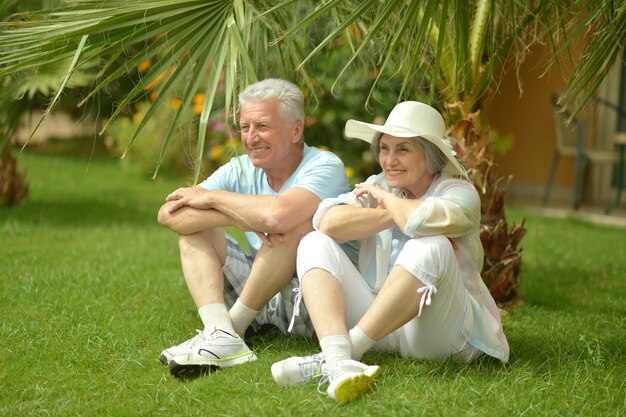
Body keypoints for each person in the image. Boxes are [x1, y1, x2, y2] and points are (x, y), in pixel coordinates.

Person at [271, 101, 510, 404]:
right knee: (313, 242)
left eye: (403, 150)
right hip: (381, 327)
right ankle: (339, 359)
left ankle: (336, 357)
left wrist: (384, 199)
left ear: (431, 156)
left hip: (440, 333)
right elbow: (328, 221)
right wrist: (387, 210)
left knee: (431, 244)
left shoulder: (460, 193)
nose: (389, 160)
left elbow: (420, 222)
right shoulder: (378, 185)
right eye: (384, 148)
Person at [157, 78, 352, 377]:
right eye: (245, 127)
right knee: (194, 231)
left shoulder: (325, 166)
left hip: (311, 302)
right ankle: (220, 332)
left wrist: (212, 198)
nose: (251, 137)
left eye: (262, 126)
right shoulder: (240, 168)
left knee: (296, 228)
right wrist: (236, 219)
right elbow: (169, 214)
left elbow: (277, 218)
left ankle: (229, 331)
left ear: (296, 130)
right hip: (262, 289)